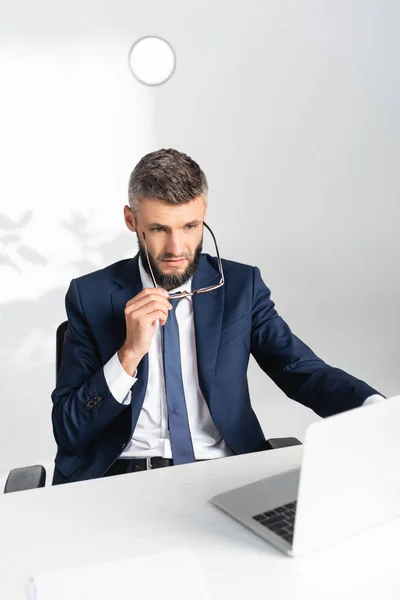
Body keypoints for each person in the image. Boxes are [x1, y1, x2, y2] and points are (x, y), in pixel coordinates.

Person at [51, 148, 384, 485]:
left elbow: (302, 372)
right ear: (131, 221)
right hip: (120, 476)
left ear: (205, 214)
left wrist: (376, 411)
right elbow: (68, 429)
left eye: (190, 226)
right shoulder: (90, 295)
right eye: (158, 229)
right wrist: (129, 354)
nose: (176, 248)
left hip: (225, 472)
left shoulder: (242, 287)